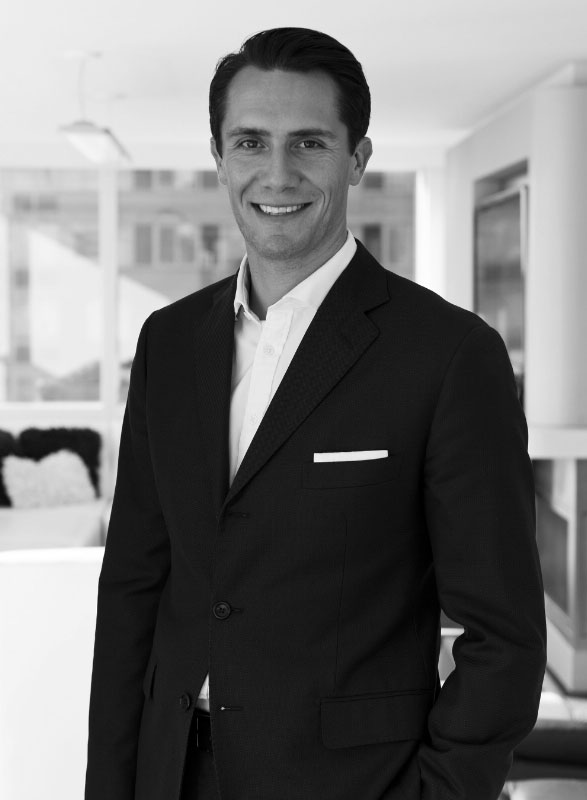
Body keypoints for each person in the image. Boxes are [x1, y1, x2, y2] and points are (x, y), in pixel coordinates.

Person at [85, 27, 547, 800]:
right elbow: (133, 587)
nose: (277, 173)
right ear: (218, 156)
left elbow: (503, 634)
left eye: (308, 142)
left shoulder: (447, 354)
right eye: (250, 142)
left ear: (356, 158)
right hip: (172, 773)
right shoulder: (168, 342)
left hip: (354, 783)